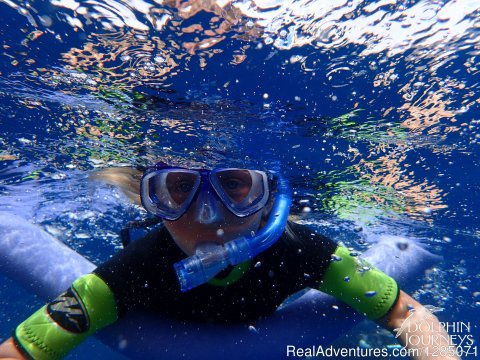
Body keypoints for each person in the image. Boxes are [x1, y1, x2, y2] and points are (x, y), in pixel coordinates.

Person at [0, 163, 459, 360]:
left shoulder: (301, 249)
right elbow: (21, 351)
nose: (207, 216)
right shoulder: (134, 270)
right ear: (152, 199)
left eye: (234, 186)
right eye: (180, 188)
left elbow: (407, 313)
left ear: (269, 198)